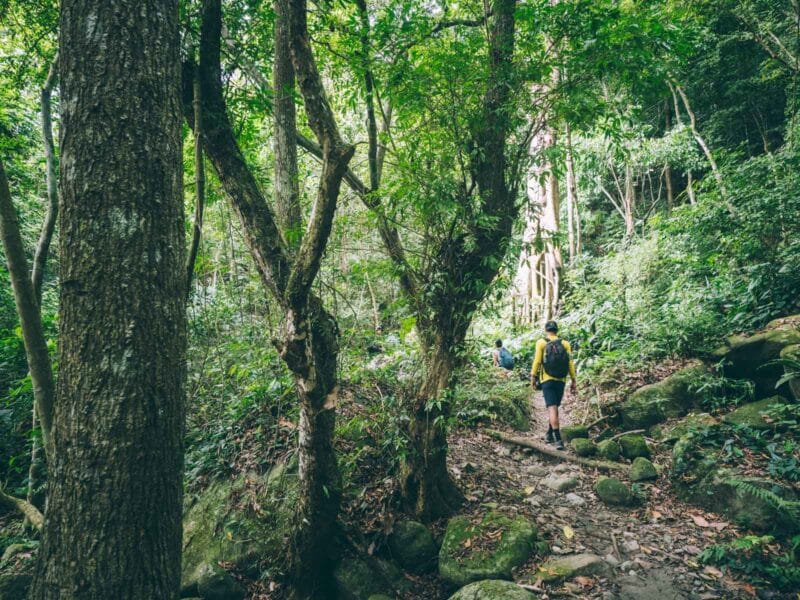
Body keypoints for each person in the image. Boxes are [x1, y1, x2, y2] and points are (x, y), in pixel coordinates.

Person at [530, 320, 577, 450]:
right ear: (557, 330)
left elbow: (537, 361)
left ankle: (558, 440)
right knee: (555, 408)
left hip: (547, 380)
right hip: (561, 380)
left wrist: (533, 376)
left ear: (546, 330)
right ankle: (549, 434)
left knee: (552, 409)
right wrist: (573, 380)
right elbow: (570, 363)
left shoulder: (541, 343)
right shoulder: (565, 344)